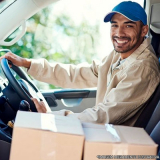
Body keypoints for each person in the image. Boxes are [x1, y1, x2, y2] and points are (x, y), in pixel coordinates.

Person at [0, 1, 160, 126]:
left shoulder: (142, 68)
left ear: (144, 30)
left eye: (129, 25)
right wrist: (28, 64)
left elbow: (103, 115)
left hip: (112, 141)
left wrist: (50, 118)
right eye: (115, 25)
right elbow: (79, 73)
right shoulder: (121, 53)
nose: (119, 33)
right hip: (103, 131)